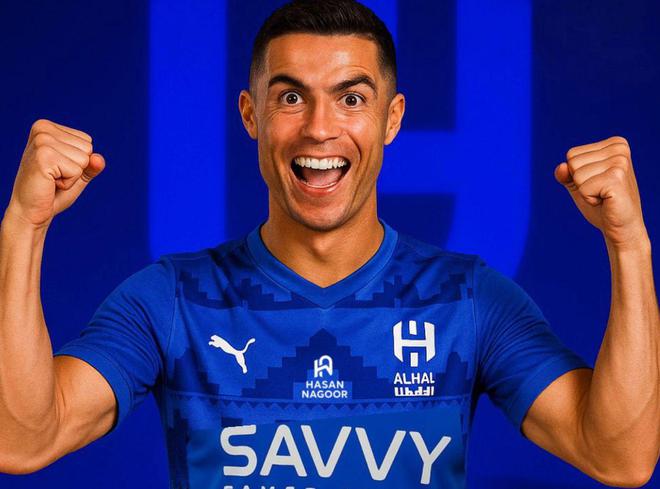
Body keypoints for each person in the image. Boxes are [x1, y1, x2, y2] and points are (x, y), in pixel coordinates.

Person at [0, 0, 657, 487]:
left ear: (391, 119)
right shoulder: (172, 298)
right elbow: (21, 440)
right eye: (291, 97)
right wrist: (24, 228)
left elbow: (619, 456)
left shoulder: (469, 298)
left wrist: (629, 246)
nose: (319, 128)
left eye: (351, 99)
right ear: (251, 115)